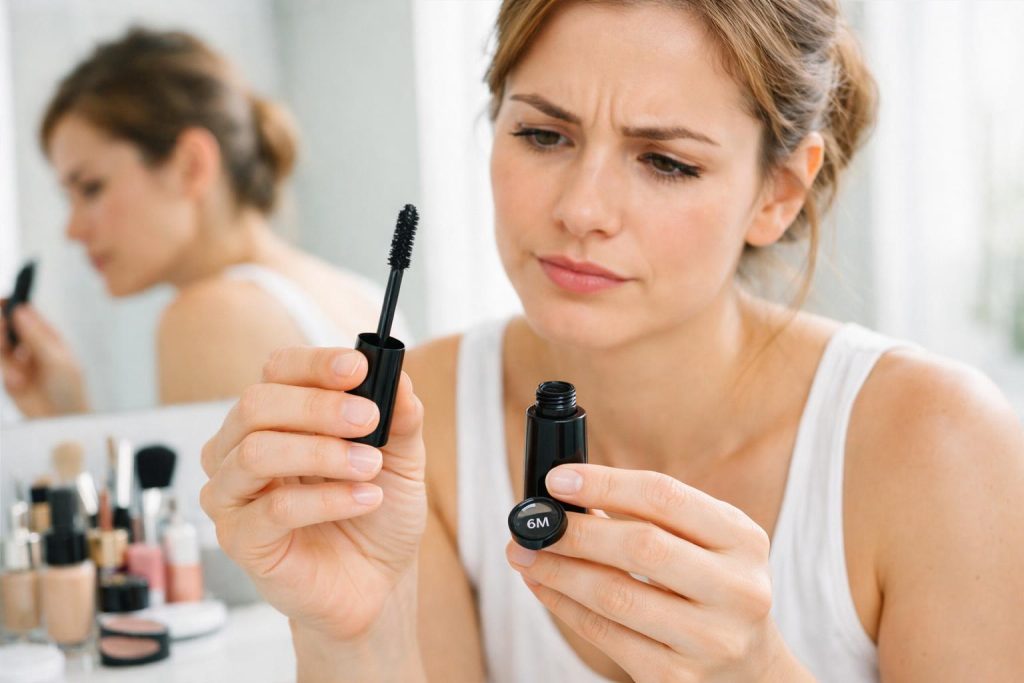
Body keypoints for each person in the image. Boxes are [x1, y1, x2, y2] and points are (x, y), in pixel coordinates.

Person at [198, 1, 1024, 681]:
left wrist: (756, 673)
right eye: (543, 135)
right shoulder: (428, 420)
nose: (581, 209)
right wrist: (351, 636)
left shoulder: (939, 444)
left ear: (777, 193)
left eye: (665, 161)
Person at [0, 28, 398, 418]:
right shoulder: (358, 294)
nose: (72, 230)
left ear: (191, 165)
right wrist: (61, 414)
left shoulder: (212, 315)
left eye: (91, 188)